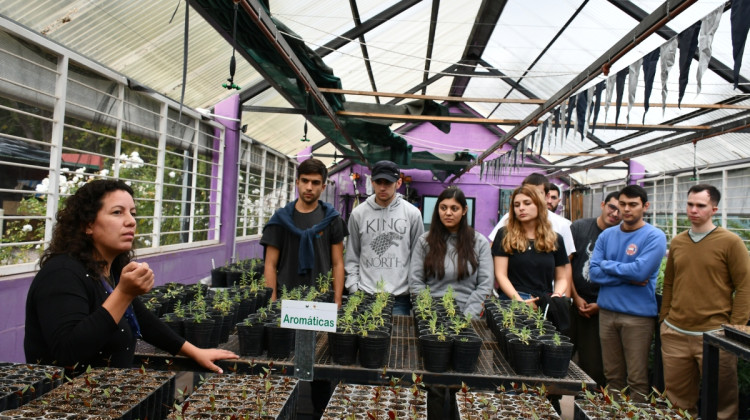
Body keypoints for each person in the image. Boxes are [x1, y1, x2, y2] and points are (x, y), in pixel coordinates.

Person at [24, 180, 237, 375]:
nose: (131, 221)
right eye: (117, 212)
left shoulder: (109, 270)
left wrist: (194, 351)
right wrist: (124, 293)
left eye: (132, 213)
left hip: (105, 396)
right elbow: (67, 352)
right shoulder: (62, 274)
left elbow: (143, 321)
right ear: (87, 224)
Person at [659, 184, 750, 419]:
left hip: (715, 336)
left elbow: (745, 286)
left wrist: (734, 330)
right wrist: (664, 320)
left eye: (701, 205)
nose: (693, 210)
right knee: (676, 404)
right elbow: (669, 283)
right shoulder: (678, 242)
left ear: (714, 209)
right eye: (690, 204)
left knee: (723, 404)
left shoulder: (731, 242)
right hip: (676, 334)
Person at [589, 184, 666, 401]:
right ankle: (614, 412)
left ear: (645, 206)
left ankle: (637, 413)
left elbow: (641, 272)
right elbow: (594, 274)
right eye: (622, 204)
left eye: (633, 204)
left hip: (638, 317)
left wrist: (608, 264)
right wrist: (628, 275)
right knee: (612, 376)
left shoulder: (654, 236)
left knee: (637, 378)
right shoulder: (607, 235)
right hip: (607, 313)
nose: (626, 209)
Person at [261, 158, 347, 306]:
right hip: (286, 300)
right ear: (297, 183)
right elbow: (270, 264)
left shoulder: (332, 219)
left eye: (315, 183)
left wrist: (337, 301)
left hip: (321, 300)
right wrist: (272, 302)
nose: (309, 187)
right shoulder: (280, 219)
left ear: (323, 187)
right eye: (305, 181)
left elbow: (338, 263)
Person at [345, 160, 424, 315]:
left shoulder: (412, 214)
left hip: (399, 300)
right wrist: (354, 288)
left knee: (396, 339)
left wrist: (415, 292)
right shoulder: (358, 214)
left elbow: (418, 257)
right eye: (378, 182)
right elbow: (352, 255)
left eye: (387, 182)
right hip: (364, 296)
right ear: (372, 182)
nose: (382, 187)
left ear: (398, 182)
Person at [409, 186, 493, 317]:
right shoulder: (424, 242)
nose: (448, 213)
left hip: (468, 317)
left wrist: (466, 318)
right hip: (430, 318)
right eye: (443, 208)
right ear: (438, 210)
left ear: (464, 210)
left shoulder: (479, 242)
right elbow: (416, 282)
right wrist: (430, 315)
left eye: (454, 208)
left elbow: (485, 285)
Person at [567, 191, 621, 387]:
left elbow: (622, 277)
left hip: (601, 309)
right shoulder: (580, 228)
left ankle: (586, 410)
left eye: (620, 210)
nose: (615, 213)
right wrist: (575, 296)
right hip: (572, 304)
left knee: (594, 367)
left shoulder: (622, 237)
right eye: (612, 207)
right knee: (559, 356)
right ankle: (552, 402)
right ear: (602, 204)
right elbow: (566, 266)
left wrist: (600, 304)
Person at [492, 185, 570, 306]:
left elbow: (561, 278)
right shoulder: (505, 235)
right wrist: (519, 301)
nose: (521, 208)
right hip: (512, 301)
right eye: (516, 205)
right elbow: (500, 274)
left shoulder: (555, 239)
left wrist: (557, 295)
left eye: (527, 203)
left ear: (539, 205)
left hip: (544, 302)